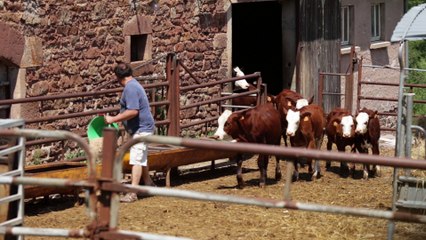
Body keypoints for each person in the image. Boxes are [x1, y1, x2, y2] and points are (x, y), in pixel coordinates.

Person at [105, 62, 156, 203]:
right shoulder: (134, 84)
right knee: (141, 156)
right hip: (143, 127)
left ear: (118, 77)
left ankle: (133, 193)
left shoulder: (130, 88)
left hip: (142, 128)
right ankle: (149, 184)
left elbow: (133, 111)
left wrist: (113, 119)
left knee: (136, 158)